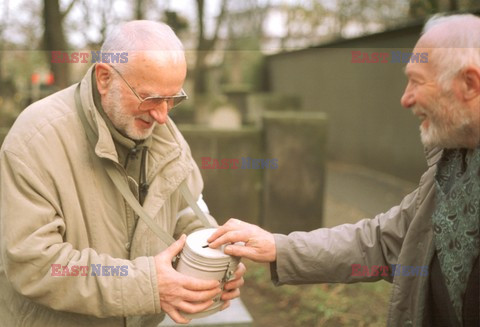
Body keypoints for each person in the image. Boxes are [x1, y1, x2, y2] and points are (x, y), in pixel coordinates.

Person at [208, 13, 480, 327]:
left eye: (416, 82)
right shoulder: (451, 164)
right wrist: (278, 247)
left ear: (469, 84)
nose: (405, 98)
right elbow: (381, 242)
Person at [0, 20, 245, 326]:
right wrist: (147, 287)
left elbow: (187, 211)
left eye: (173, 99)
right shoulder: (35, 139)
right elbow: (35, 263)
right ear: (104, 78)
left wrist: (216, 258)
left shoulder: (165, 133)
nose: (162, 115)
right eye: (151, 97)